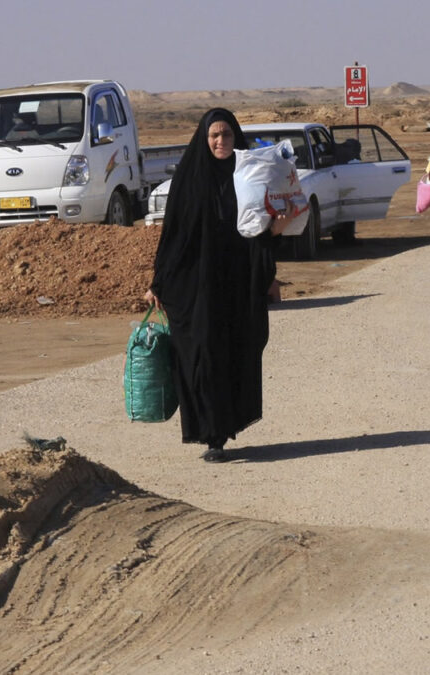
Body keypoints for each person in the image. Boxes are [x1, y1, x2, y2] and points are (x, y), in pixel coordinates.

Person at [144, 108, 295, 462]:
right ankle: (209, 432)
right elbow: (174, 236)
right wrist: (159, 282)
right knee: (200, 355)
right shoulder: (189, 179)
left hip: (236, 284)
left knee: (231, 353)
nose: (221, 141)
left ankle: (221, 432)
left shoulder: (250, 176)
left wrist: (275, 231)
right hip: (194, 286)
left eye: (227, 135)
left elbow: (259, 231)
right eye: (214, 135)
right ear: (204, 138)